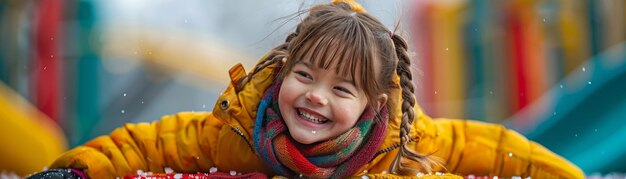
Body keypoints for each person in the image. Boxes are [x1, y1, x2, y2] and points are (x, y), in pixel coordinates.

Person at [28, 0, 584, 178]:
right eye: (306, 76)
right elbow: (148, 143)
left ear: (373, 106)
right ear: (283, 70)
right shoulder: (243, 130)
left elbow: (494, 147)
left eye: (342, 89)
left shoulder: (402, 149)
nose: (316, 96)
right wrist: (76, 169)